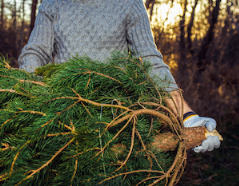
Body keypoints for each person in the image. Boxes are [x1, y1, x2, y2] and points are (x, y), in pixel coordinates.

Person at [18, 0, 220, 153]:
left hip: (119, 118)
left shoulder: (129, 4)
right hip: (66, 116)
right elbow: (35, 53)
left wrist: (186, 115)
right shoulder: (52, 4)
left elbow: (150, 59)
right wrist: (32, 99)